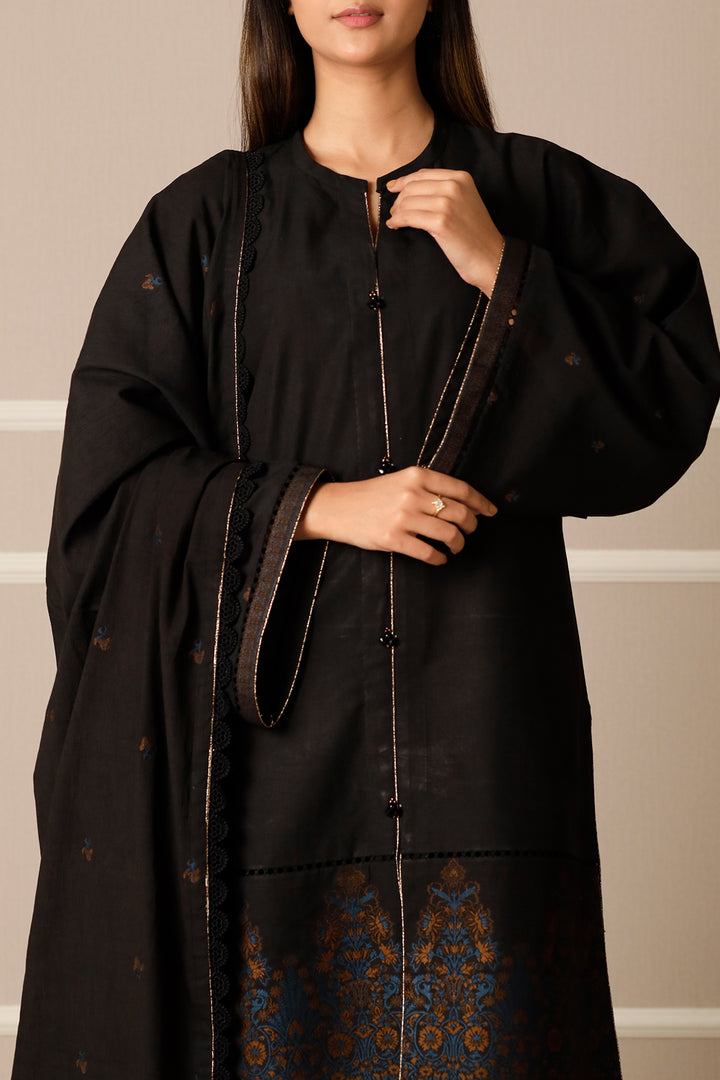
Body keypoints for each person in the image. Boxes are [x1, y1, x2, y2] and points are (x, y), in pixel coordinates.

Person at [11, 0, 720, 1077]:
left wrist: (504, 270)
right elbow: (109, 497)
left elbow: (668, 401)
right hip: (274, 788)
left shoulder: (536, 195)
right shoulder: (204, 226)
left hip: (493, 763)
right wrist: (318, 506)